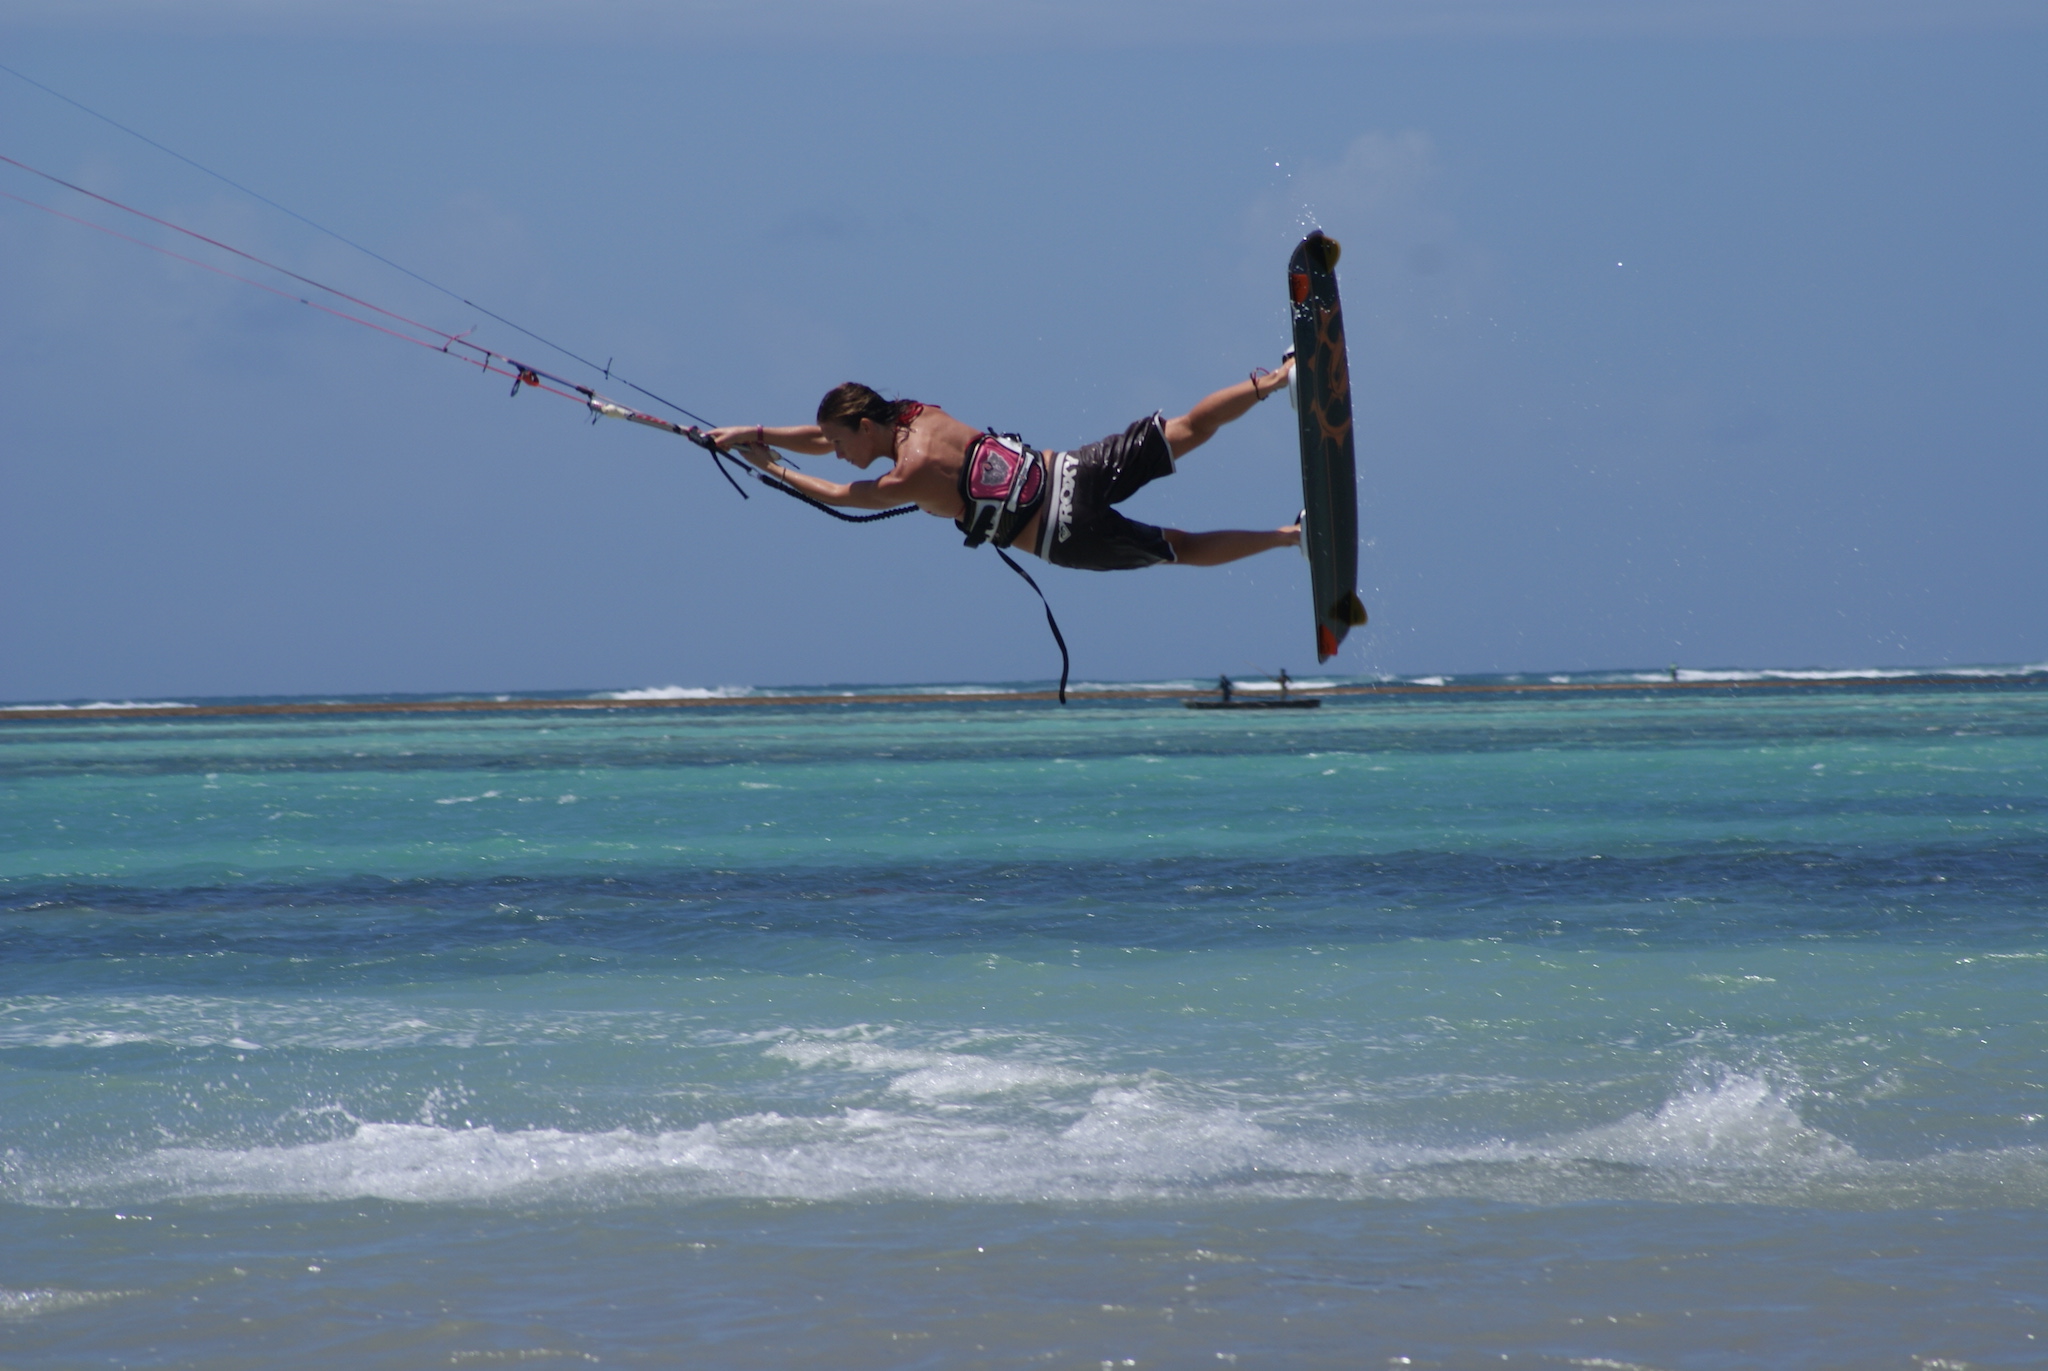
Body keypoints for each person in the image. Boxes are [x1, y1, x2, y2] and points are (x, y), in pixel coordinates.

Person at [708, 355, 1300, 571]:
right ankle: (1278, 379)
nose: (835, 454)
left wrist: (774, 467)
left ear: (866, 426)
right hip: (1072, 471)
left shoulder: (904, 475)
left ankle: (1291, 538)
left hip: (1060, 533)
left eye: (840, 445)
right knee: (1186, 430)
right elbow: (820, 435)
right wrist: (754, 433)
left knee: (1182, 547)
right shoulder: (918, 412)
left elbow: (840, 495)